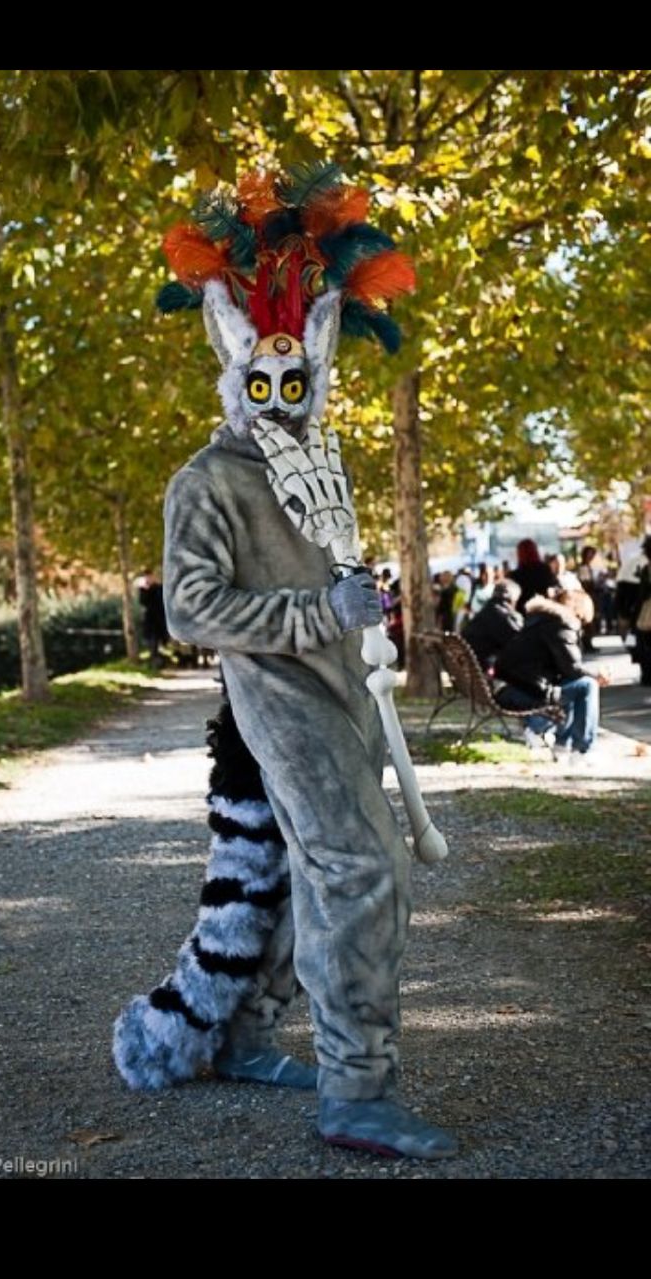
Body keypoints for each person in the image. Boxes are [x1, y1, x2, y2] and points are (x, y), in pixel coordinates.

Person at [113, 165, 456, 1162]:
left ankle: (245, 1032)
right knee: (360, 867)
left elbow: (331, 571)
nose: (275, 395)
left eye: (291, 379)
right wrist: (318, 610)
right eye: (256, 382)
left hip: (344, 693)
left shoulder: (321, 459)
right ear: (233, 374)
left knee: (322, 865)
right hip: (277, 703)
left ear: (314, 373)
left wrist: (363, 615)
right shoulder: (206, 479)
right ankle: (358, 1089)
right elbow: (191, 606)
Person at [494, 588, 610, 763]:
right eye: (583, 620)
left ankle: (563, 745)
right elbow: (571, 667)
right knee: (587, 685)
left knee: (573, 684)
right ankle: (583, 750)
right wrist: (597, 674)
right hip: (527, 692)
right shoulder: (562, 623)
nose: (582, 625)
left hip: (512, 688)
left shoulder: (540, 619)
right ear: (578, 611)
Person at [461, 578, 523, 672]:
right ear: (513, 599)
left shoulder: (486, 611)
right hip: (486, 670)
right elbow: (520, 642)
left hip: (471, 668)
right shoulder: (503, 615)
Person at [509, 538, 558, 613]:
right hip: (544, 611)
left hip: (523, 613)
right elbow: (553, 587)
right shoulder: (545, 570)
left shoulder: (515, 575)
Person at [138, 569, 168, 667]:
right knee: (151, 640)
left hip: (159, 618)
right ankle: (154, 659)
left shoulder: (159, 588)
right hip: (150, 619)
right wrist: (146, 589)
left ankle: (158, 659)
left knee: (159, 639)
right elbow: (142, 602)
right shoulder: (143, 589)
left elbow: (161, 601)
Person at [633, 535, 651, 686]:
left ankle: (647, 675)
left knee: (645, 643)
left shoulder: (647, 569)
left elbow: (643, 593)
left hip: (648, 611)